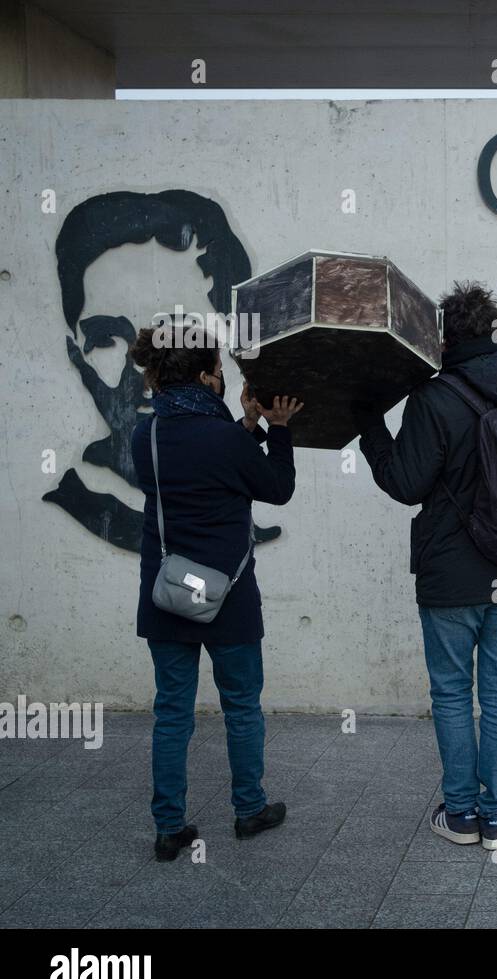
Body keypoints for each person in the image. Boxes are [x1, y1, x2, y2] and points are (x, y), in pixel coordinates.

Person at [357, 282, 497, 851]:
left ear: (443, 337)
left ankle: (461, 815)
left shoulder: (433, 398)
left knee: (452, 694)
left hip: (451, 575)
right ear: (493, 331)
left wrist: (370, 429)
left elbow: (406, 483)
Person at [128, 319, 302, 861]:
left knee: (172, 713)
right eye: (220, 373)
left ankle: (168, 828)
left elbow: (205, 468)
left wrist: (244, 424)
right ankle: (249, 811)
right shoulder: (224, 437)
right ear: (206, 378)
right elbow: (275, 488)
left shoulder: (145, 434)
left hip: (168, 593)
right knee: (242, 708)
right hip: (228, 596)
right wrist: (277, 427)